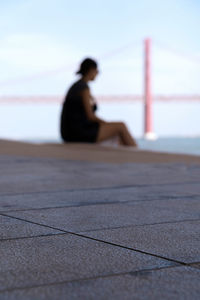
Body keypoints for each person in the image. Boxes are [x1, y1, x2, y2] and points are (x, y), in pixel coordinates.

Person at [60, 58, 137, 147]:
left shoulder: (77, 86)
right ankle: (139, 155)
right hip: (78, 133)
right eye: (97, 70)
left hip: (71, 132)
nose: (97, 73)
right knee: (121, 126)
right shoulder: (83, 88)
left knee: (117, 133)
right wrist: (107, 124)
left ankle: (128, 155)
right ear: (91, 70)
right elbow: (90, 116)